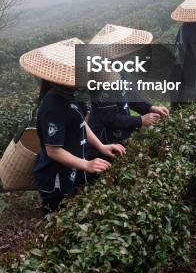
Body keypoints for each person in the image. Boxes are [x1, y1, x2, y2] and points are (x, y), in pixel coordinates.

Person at [19, 37, 126, 214]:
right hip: (56, 180)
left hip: (72, 170)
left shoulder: (72, 94)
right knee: (56, 220)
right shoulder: (53, 105)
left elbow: (81, 123)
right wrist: (87, 165)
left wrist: (101, 146)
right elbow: (53, 150)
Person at [87, 24, 169, 151]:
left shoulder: (120, 68)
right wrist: (140, 120)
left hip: (122, 135)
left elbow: (131, 96)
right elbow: (111, 118)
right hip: (104, 141)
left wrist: (150, 108)